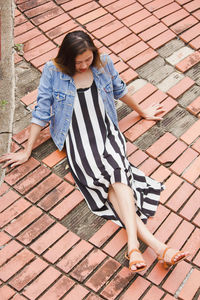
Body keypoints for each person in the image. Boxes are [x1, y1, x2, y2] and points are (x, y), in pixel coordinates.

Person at [0, 30, 189, 272]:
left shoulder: (104, 63)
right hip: (77, 140)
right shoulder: (52, 71)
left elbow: (120, 90)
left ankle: (135, 246)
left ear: (94, 54)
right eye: (77, 62)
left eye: (87, 60)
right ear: (66, 58)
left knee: (117, 177)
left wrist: (142, 112)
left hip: (106, 131)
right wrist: (26, 151)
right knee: (106, 182)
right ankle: (157, 246)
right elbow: (41, 111)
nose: (83, 65)